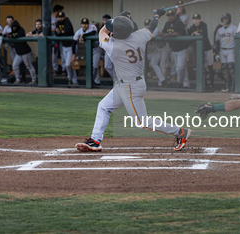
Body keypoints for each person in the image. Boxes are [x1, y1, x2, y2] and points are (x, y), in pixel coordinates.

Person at [75, 9, 192, 153]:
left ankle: (180, 132)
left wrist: (116, 21)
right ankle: (95, 140)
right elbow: (152, 26)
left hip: (130, 87)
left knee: (142, 122)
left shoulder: (114, 47)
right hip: (127, 84)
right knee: (103, 106)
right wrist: (157, 15)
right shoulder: (139, 36)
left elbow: (102, 32)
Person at [158, 9, 189, 88]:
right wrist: (161, 32)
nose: (170, 17)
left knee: (180, 67)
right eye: (169, 16)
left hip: (182, 49)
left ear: (174, 16)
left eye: (171, 15)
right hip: (173, 49)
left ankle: (179, 82)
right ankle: (184, 84)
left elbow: (179, 33)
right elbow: (164, 31)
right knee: (181, 68)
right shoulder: (167, 23)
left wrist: (167, 34)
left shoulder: (179, 22)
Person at [188, 13, 215, 92]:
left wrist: (195, 34)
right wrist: (193, 33)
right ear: (193, 20)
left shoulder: (203, 25)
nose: (196, 21)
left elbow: (204, 34)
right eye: (194, 19)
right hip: (199, 51)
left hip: (207, 49)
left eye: (197, 19)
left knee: (210, 68)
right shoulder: (192, 27)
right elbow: (189, 34)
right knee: (201, 68)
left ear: (200, 19)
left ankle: (212, 85)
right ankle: (205, 85)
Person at [72, 18, 101, 86]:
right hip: (88, 50)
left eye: (86, 24)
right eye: (83, 24)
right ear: (81, 24)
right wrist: (73, 54)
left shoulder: (92, 27)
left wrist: (83, 36)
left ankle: (91, 80)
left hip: (96, 48)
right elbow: (74, 42)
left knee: (94, 66)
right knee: (92, 66)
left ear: (88, 24)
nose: (84, 25)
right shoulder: (79, 31)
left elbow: (93, 32)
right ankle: (97, 81)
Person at [10, 20, 37, 85]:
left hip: (25, 52)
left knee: (29, 66)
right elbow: (9, 35)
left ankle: (34, 80)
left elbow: (20, 35)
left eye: (15, 26)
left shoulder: (21, 30)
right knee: (15, 65)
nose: (14, 28)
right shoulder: (12, 32)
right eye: (13, 27)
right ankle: (18, 79)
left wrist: (12, 36)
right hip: (19, 53)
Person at [215, 13, 237, 92]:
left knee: (231, 68)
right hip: (222, 50)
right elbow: (217, 42)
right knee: (224, 69)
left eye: (226, 19)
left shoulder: (234, 28)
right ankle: (227, 87)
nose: (225, 20)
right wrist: (217, 53)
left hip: (231, 49)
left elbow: (237, 40)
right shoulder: (219, 30)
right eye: (223, 19)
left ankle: (234, 87)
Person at [55, 11, 77, 86]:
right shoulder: (57, 22)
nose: (60, 18)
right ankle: (72, 80)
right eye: (59, 17)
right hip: (63, 46)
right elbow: (56, 33)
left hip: (71, 46)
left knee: (68, 64)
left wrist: (59, 32)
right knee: (66, 64)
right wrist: (61, 32)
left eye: (61, 17)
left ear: (64, 17)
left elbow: (67, 31)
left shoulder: (67, 21)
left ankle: (71, 79)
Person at [149, 17, 170, 88]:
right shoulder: (145, 30)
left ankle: (161, 84)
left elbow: (150, 38)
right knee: (153, 63)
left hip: (165, 47)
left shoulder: (155, 29)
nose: (147, 26)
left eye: (148, 25)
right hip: (158, 48)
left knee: (162, 65)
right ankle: (163, 79)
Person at [51, 4, 64, 75]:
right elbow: (47, 28)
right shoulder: (50, 18)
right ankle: (55, 70)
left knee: (63, 54)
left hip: (60, 38)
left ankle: (63, 69)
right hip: (53, 39)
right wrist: (55, 30)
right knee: (54, 55)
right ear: (56, 11)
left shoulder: (61, 18)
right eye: (59, 11)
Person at [101, 14, 113, 78]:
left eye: (106, 20)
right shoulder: (102, 29)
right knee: (107, 66)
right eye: (104, 20)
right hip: (108, 49)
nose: (105, 21)